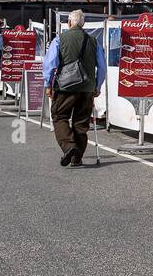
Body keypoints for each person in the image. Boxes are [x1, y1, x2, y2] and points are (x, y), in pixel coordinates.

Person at [43, 9, 106, 167]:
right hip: (87, 88)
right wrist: (97, 86)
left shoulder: (60, 39)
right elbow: (102, 67)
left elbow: (50, 65)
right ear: (83, 23)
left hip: (65, 87)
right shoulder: (93, 40)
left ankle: (69, 146)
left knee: (59, 117)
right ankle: (76, 158)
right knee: (81, 123)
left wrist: (48, 84)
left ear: (69, 23)